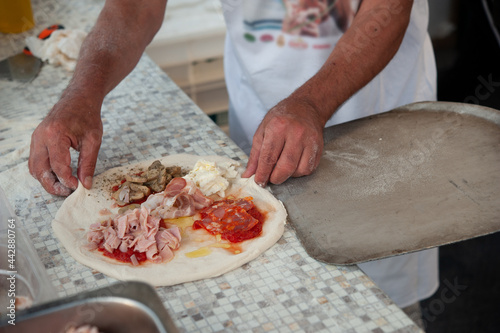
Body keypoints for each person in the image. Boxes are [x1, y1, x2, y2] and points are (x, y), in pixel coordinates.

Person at [28, 0, 438, 326]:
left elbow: (389, 7)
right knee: (280, 295)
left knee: (378, 306)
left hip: (374, 117)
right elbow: (135, 6)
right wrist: (81, 94)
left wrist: (313, 102)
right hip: (261, 106)